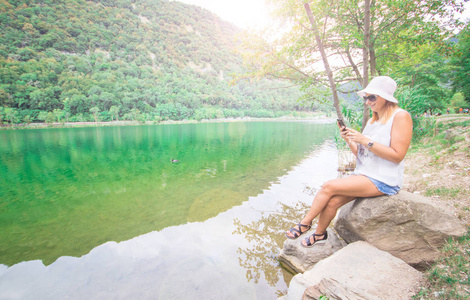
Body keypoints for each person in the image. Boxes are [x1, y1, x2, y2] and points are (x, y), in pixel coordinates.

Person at [285, 76, 413, 247]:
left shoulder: (401, 116)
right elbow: (362, 155)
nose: (368, 102)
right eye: (366, 98)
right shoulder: (373, 120)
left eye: (372, 97)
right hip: (365, 174)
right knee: (333, 201)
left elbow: (398, 155)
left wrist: (365, 140)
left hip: (384, 179)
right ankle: (319, 234)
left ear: (386, 97)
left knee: (328, 186)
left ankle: (305, 223)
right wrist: (351, 140)